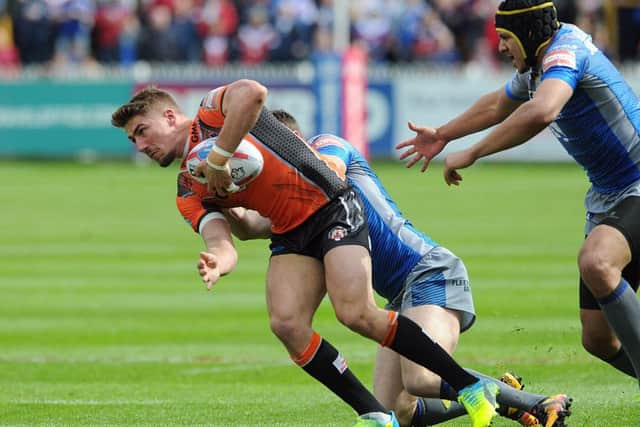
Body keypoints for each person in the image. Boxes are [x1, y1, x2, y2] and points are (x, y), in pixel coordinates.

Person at [111, 79, 500, 427]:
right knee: (286, 323)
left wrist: (218, 157)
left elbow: (253, 93)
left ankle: (468, 386)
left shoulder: (212, 112)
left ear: (169, 115)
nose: (141, 146)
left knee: (356, 313)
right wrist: (218, 263)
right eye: (133, 141)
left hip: (330, 204)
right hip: (290, 232)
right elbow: (227, 238)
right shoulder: (187, 190)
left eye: (142, 132)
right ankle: (375, 415)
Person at [226, 109, 572, 427]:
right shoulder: (294, 206)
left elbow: (329, 171)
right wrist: (221, 197)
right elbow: (250, 228)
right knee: (400, 412)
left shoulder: (327, 145)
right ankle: (501, 395)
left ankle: (540, 403)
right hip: (399, 297)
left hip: (429, 271)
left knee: (420, 379)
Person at [396, 0, 640, 388]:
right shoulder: (536, 68)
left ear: (528, 34)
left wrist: (475, 151)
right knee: (597, 338)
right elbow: (496, 103)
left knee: (596, 262)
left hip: (637, 182)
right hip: (609, 195)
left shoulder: (566, 51)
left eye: (506, 38)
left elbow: (543, 110)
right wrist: (443, 134)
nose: (501, 47)